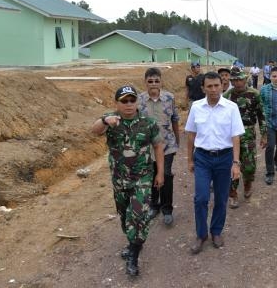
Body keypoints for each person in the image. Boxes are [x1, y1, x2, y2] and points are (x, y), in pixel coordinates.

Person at [91, 85, 165, 276]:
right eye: (124, 101)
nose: (129, 104)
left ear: (137, 102)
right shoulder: (111, 120)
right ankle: (132, 242)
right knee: (125, 217)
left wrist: (160, 173)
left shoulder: (148, 123)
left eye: (132, 100)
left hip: (142, 178)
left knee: (139, 216)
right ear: (117, 103)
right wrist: (104, 120)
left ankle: (133, 254)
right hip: (119, 180)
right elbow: (94, 131)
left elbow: (158, 147)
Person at [185, 71, 245, 254]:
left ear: (222, 85)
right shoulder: (196, 107)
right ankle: (201, 234)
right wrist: (189, 159)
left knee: (221, 197)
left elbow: (236, 136)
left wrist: (236, 163)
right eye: (209, 86)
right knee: (201, 198)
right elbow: (190, 135)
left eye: (216, 85)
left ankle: (216, 231)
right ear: (203, 88)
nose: (213, 89)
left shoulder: (231, 107)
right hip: (202, 157)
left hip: (224, 158)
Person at [138, 67, 180, 226]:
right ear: (145, 83)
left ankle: (167, 209)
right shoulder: (139, 100)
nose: (154, 84)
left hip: (167, 144)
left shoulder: (170, 98)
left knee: (166, 175)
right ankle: (154, 205)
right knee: (151, 175)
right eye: (150, 81)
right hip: (147, 146)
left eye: (157, 81)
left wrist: (177, 139)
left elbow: (175, 119)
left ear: (161, 82)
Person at [224, 67, 267, 208]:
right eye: (234, 80)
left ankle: (248, 183)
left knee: (249, 166)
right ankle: (232, 193)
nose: (237, 83)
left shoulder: (254, 94)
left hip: (248, 132)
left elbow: (262, 115)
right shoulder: (227, 96)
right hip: (230, 135)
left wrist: (264, 134)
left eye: (240, 79)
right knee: (232, 164)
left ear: (245, 79)